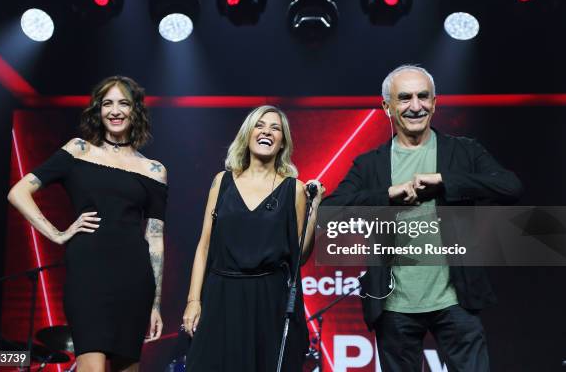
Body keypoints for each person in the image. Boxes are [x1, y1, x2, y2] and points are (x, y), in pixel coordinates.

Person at [321, 65, 523, 372]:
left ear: (435, 102)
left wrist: (444, 180)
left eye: (423, 96)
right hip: (394, 306)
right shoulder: (369, 165)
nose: (415, 106)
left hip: (456, 301)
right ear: (386, 107)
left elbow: (510, 187)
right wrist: (388, 195)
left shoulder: (463, 151)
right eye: (404, 98)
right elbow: (329, 211)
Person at [7, 76, 167, 372]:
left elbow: (155, 238)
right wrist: (57, 234)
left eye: (123, 103)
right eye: (107, 103)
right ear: (98, 110)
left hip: (134, 278)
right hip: (88, 275)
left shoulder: (154, 170)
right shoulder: (78, 150)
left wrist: (155, 304)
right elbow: (19, 192)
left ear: (136, 111)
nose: (115, 111)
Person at [182, 105, 323, 371]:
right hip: (221, 295)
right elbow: (204, 246)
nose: (267, 131)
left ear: (283, 142)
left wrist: (315, 210)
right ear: (248, 134)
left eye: (275, 128)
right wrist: (193, 301)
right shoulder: (221, 182)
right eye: (260, 125)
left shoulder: (294, 188)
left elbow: (300, 256)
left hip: (268, 300)